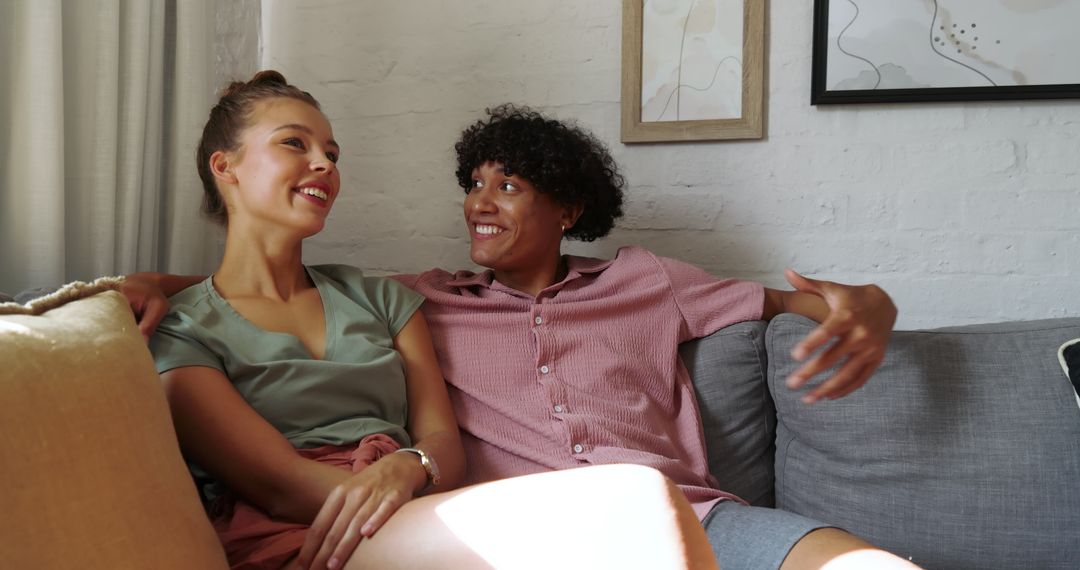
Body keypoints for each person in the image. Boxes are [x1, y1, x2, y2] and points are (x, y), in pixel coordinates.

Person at [128, 102, 918, 569]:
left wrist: (871, 306)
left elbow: (814, 302)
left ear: (567, 209)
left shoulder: (648, 280)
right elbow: (267, 289)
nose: (481, 202)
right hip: (540, 534)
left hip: (700, 514)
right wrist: (145, 287)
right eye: (474, 184)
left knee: (872, 567)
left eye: (508, 185)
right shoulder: (424, 299)